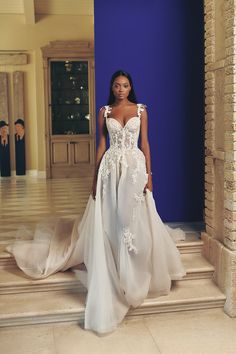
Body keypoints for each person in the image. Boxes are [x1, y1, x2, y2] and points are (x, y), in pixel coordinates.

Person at [7, 70, 186, 334]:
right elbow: (102, 145)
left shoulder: (141, 110)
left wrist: (149, 175)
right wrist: (94, 178)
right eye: (117, 85)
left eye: (125, 85)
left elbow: (146, 144)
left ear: (130, 87)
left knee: (134, 219)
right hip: (111, 170)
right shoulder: (105, 112)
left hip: (134, 169)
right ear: (112, 88)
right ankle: (115, 267)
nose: (121, 89)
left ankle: (136, 271)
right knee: (113, 218)